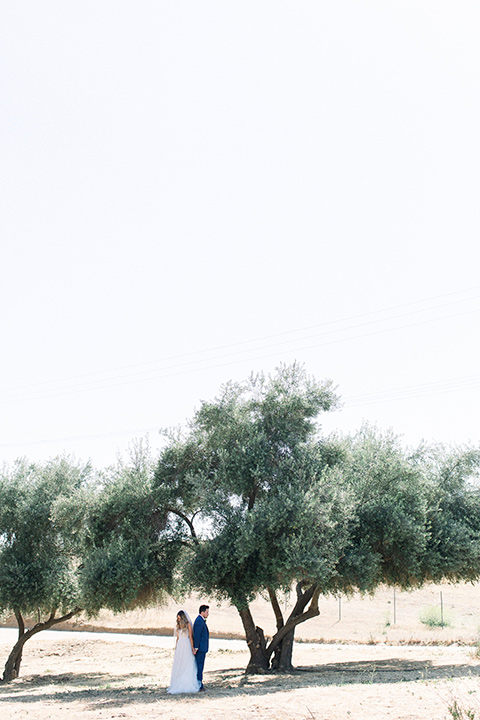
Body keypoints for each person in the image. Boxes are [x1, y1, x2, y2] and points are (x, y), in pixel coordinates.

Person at [167, 610, 201, 694]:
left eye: (179, 618)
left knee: (187, 662)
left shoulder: (188, 624)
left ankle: (187, 680)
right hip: (180, 645)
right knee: (179, 662)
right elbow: (177, 638)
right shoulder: (178, 626)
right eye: (177, 618)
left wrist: (193, 648)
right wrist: (176, 646)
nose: (178, 620)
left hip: (186, 644)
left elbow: (190, 637)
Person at [193, 604, 210, 691]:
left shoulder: (200, 620)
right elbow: (197, 635)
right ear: (202, 612)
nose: (208, 614)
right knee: (199, 666)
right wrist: (196, 647)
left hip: (202, 648)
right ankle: (199, 684)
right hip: (200, 649)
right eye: (207, 612)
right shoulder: (199, 621)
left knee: (200, 666)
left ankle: (199, 683)